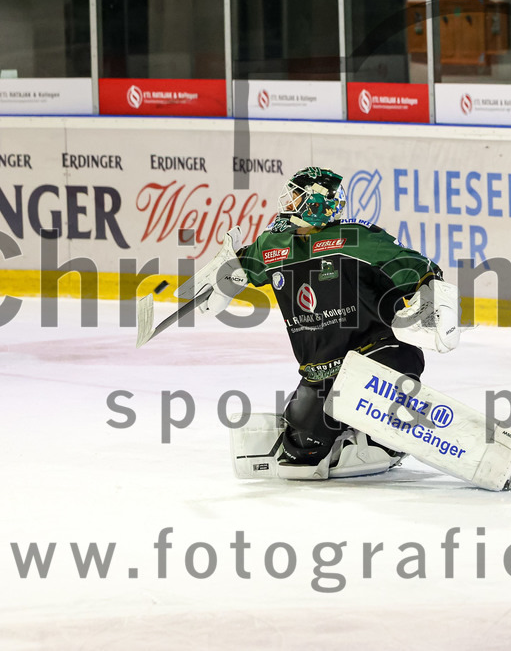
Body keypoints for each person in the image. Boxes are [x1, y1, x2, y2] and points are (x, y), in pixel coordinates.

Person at [177, 166, 460, 480]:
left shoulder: (357, 238)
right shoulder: (272, 245)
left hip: (381, 356)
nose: (289, 201)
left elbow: (423, 271)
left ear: (314, 202)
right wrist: (217, 280)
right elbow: (240, 268)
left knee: (355, 400)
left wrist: (431, 307)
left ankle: (386, 441)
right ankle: (357, 436)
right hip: (323, 371)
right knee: (302, 451)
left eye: (296, 195)